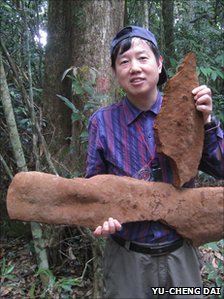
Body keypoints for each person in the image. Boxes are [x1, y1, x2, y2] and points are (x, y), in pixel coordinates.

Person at [85, 25, 224, 299]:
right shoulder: (102, 122)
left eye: (143, 58)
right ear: (115, 72)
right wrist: (103, 217)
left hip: (180, 257)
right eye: (124, 61)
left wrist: (206, 122)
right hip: (128, 261)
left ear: (159, 65)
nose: (134, 67)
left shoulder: (190, 112)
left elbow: (221, 167)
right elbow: (94, 189)